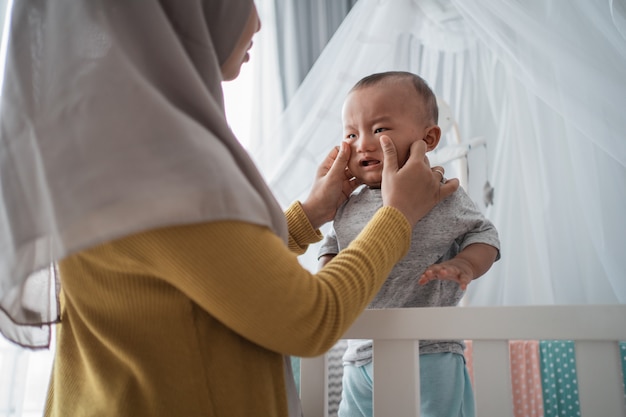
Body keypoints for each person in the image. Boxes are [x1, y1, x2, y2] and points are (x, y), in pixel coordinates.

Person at [0, 2, 460, 416]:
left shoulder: (109, 144)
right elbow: (310, 320)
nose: (257, 21)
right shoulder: (162, 165)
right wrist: (398, 216)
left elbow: (205, 273)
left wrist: (310, 214)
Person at [318, 71, 501, 417]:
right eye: (351, 134)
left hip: (429, 350)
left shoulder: (438, 192)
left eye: (380, 129)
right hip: (360, 354)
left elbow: (484, 234)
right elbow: (334, 242)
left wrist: (466, 263)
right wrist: (325, 272)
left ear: (428, 138)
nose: (363, 144)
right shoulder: (348, 201)